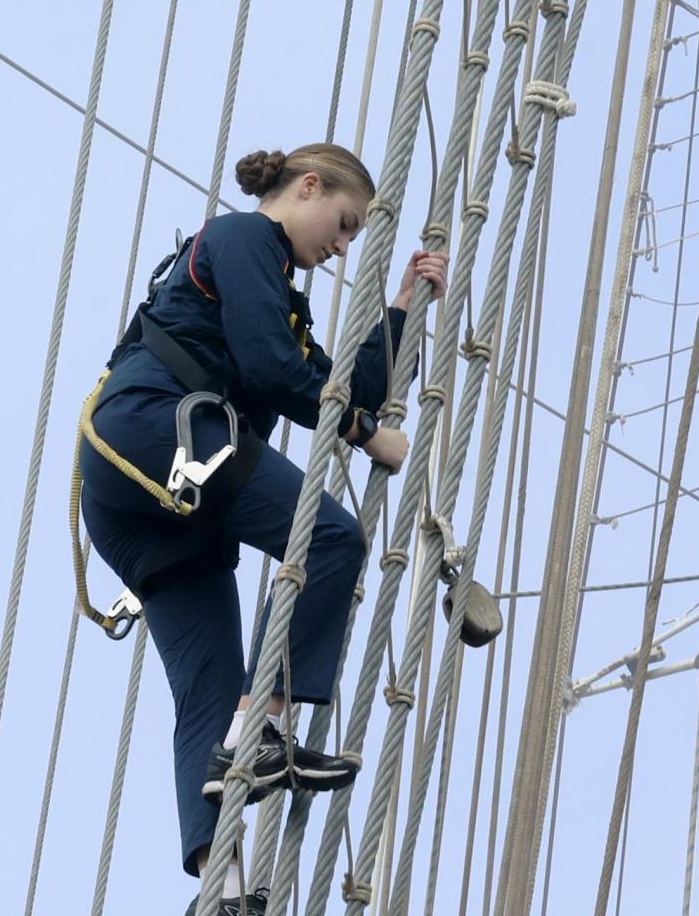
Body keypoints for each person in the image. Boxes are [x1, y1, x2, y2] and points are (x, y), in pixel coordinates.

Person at [78, 144, 445, 914]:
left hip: (147, 500)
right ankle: (267, 721)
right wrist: (360, 432)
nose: (342, 247)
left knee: (208, 688)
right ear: (308, 186)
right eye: (344, 224)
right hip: (157, 430)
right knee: (336, 539)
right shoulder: (247, 241)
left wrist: (406, 307)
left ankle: (222, 888)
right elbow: (276, 369)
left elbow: (334, 376)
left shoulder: (282, 295)